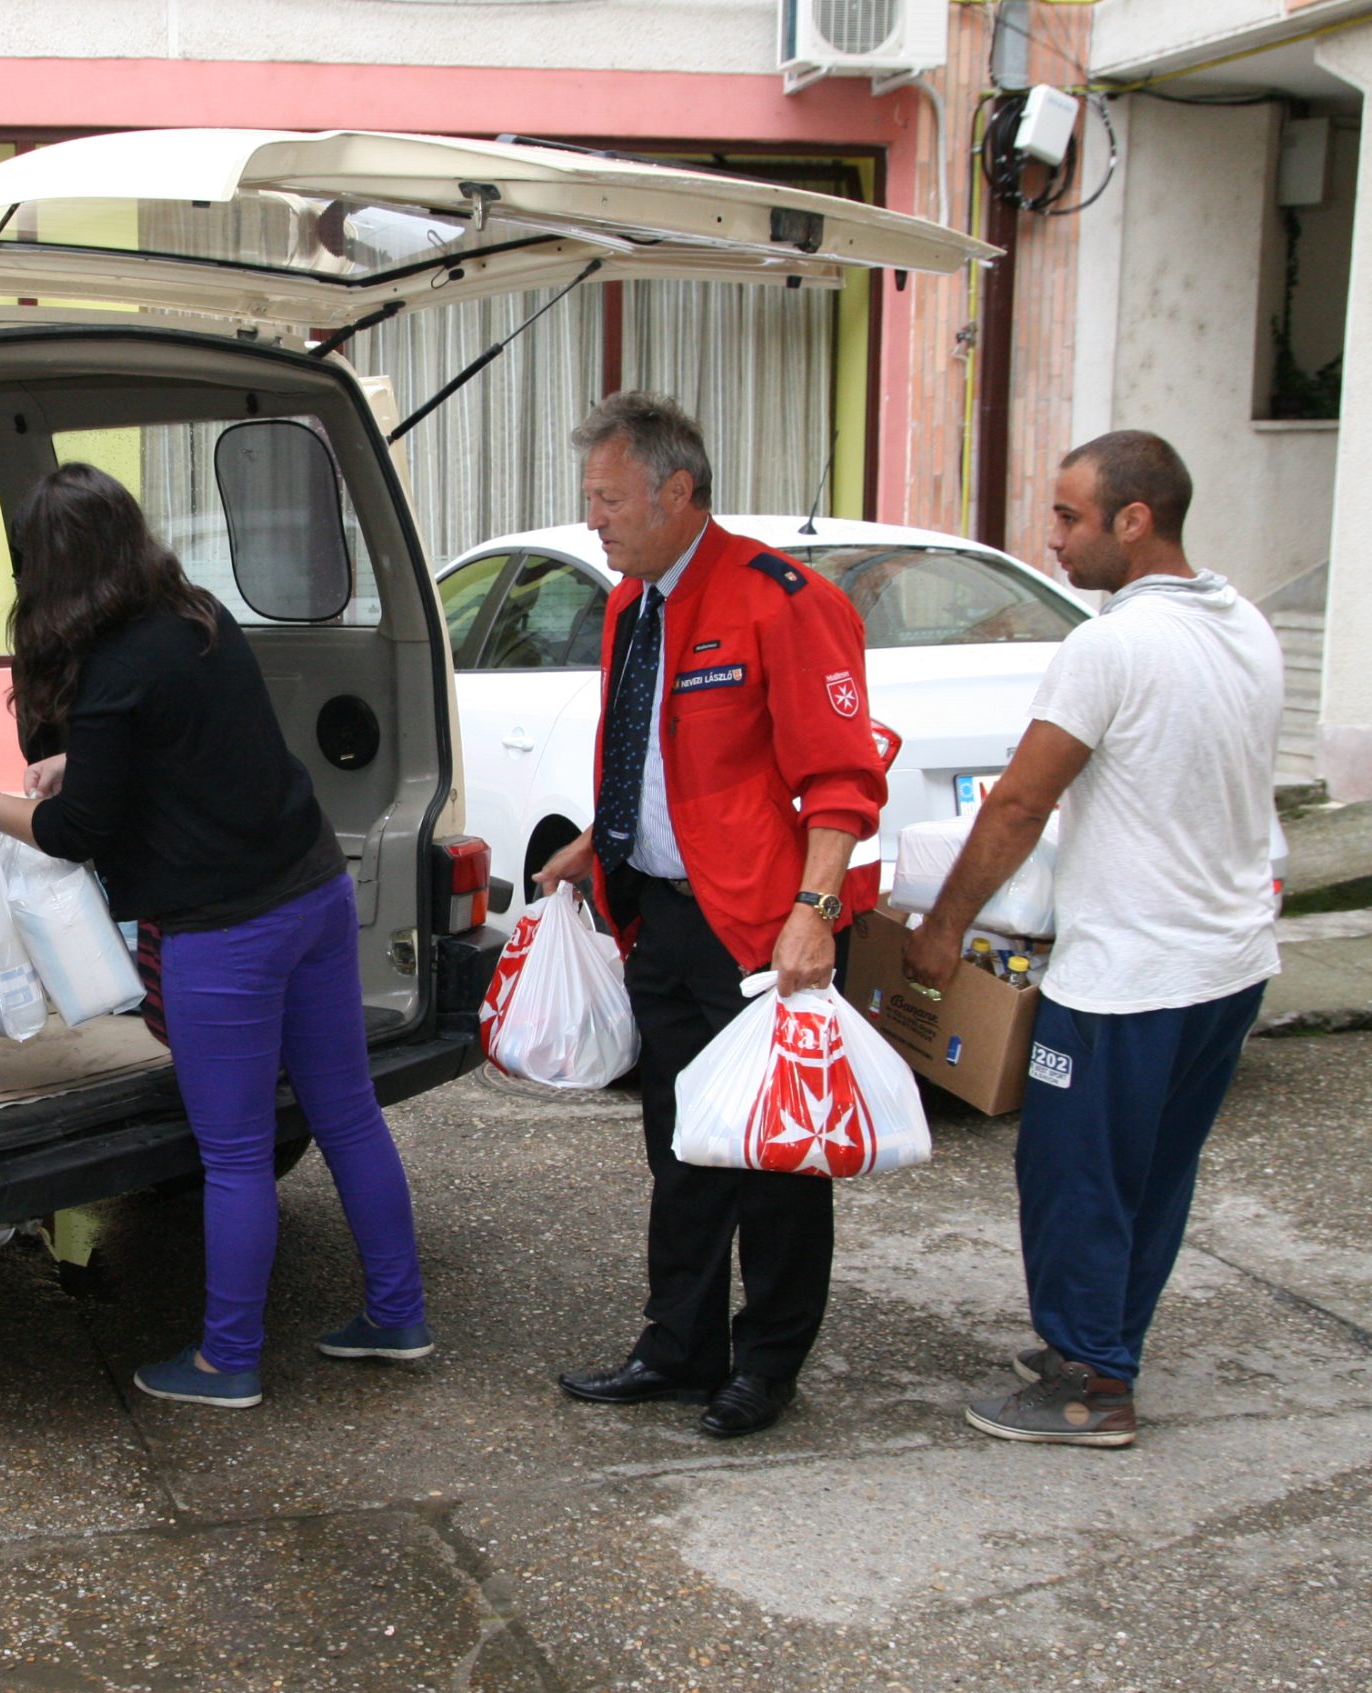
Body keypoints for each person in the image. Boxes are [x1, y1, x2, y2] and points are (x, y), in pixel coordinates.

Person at [0, 462, 429, 1410]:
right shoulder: (197, 618)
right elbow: (170, 747)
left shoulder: (108, 669)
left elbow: (80, 831)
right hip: (315, 895)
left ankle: (226, 1359)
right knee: (347, 1114)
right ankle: (396, 1314)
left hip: (229, 935)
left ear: (52, 571)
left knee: (235, 1154)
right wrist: (75, 762)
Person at [905, 431, 1281, 1451]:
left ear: (1134, 518)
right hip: (1226, 962)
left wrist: (942, 928)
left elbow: (1021, 800)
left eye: (1069, 516)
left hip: (1131, 974)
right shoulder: (1241, 622)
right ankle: (1104, 1340)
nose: (1053, 537)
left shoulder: (1108, 645)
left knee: (1076, 1172)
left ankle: (1090, 1385)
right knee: (1153, 1171)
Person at [534, 392, 885, 1440]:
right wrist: (594, 846)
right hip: (667, 921)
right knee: (682, 1144)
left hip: (767, 931)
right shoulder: (629, 603)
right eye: (589, 498)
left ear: (676, 490)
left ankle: (767, 1360)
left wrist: (814, 912)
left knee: (775, 1156)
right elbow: (661, 759)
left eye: (608, 498)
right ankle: (678, 1346)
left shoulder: (782, 599)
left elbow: (840, 781)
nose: (592, 518)